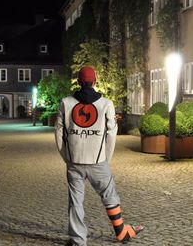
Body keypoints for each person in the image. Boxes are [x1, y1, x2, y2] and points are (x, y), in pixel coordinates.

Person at [55, 66, 144, 246]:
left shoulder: (66, 103)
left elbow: (58, 132)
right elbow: (111, 134)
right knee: (109, 193)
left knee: (75, 202)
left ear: (78, 81)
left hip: (74, 160)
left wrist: (66, 156)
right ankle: (121, 231)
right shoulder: (106, 104)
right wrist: (106, 158)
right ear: (95, 81)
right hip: (98, 159)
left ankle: (78, 240)